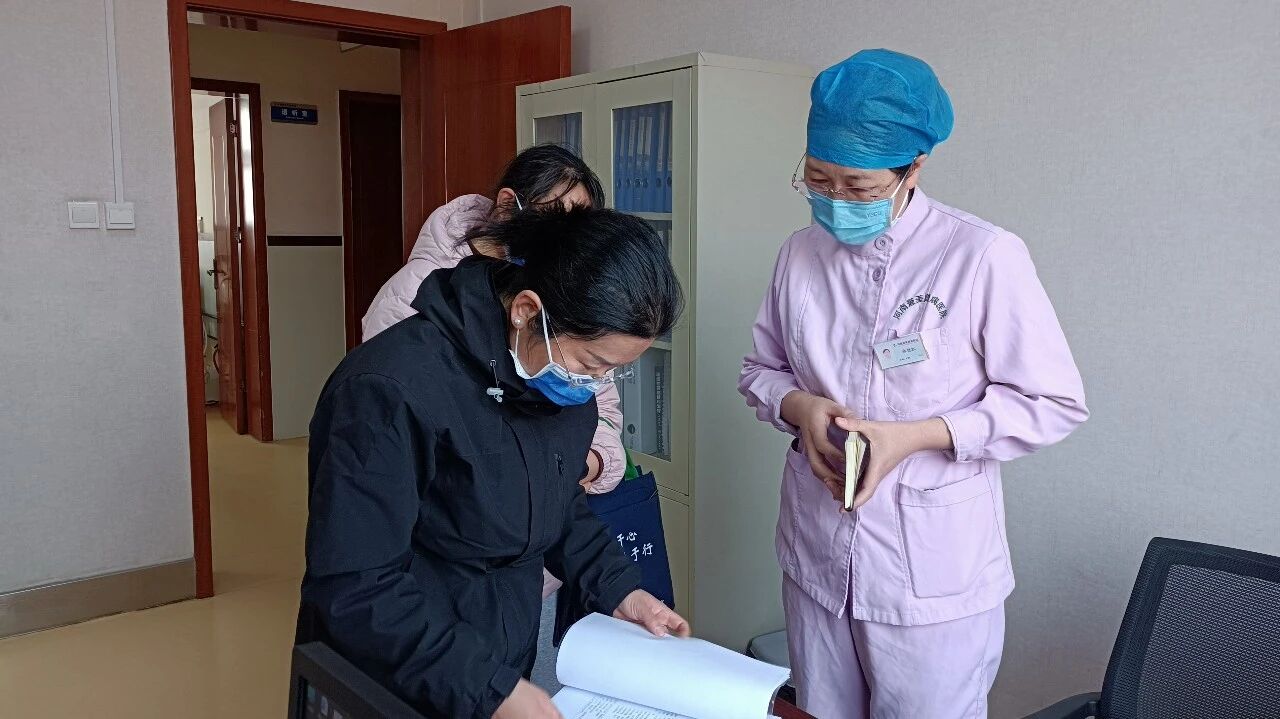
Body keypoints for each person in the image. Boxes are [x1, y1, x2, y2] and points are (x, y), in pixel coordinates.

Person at [740, 49, 1088, 719]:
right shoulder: (798, 254)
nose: (836, 201)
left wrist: (919, 436)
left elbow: (1053, 402)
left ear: (914, 168)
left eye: (859, 187)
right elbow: (760, 370)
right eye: (818, 179)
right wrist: (799, 405)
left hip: (930, 571)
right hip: (817, 556)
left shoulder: (981, 255)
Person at [299, 206, 689, 718]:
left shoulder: (552, 379)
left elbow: (557, 503)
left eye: (614, 371)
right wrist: (489, 689)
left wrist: (620, 589)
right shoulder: (387, 389)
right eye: (593, 364)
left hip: (491, 661)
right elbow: (355, 588)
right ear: (526, 310)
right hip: (396, 675)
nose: (596, 383)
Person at [363, 145, 623, 600]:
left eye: (578, 229)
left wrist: (589, 460)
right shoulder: (410, 298)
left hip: (540, 558)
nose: (565, 244)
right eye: (556, 222)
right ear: (508, 205)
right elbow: (392, 448)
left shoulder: (557, 290)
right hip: (448, 570)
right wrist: (527, 472)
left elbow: (599, 401)